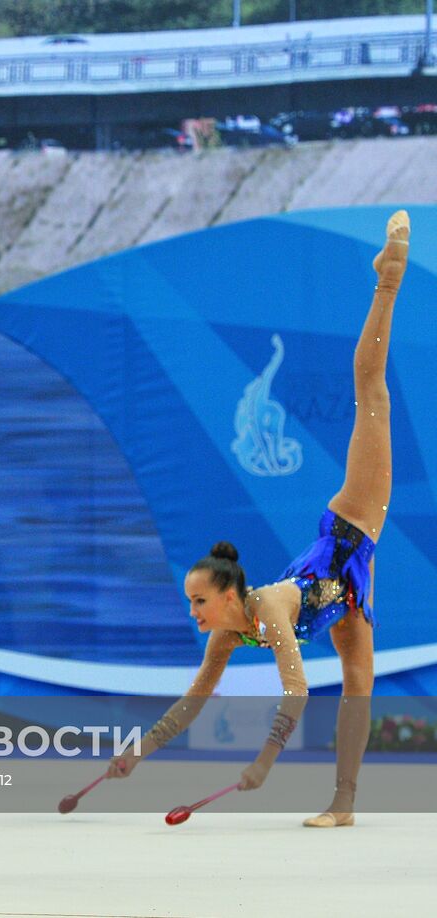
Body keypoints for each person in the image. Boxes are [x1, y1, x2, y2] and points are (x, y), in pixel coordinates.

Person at [108, 210, 411, 829]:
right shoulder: (228, 635)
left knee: (369, 384)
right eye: (191, 605)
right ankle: (345, 806)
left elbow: (296, 690)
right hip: (349, 592)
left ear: (227, 594)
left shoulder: (269, 609)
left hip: (352, 526)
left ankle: (388, 279)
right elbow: (194, 701)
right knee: (359, 681)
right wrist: (141, 750)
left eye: (199, 602)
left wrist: (265, 763)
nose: (194, 614)